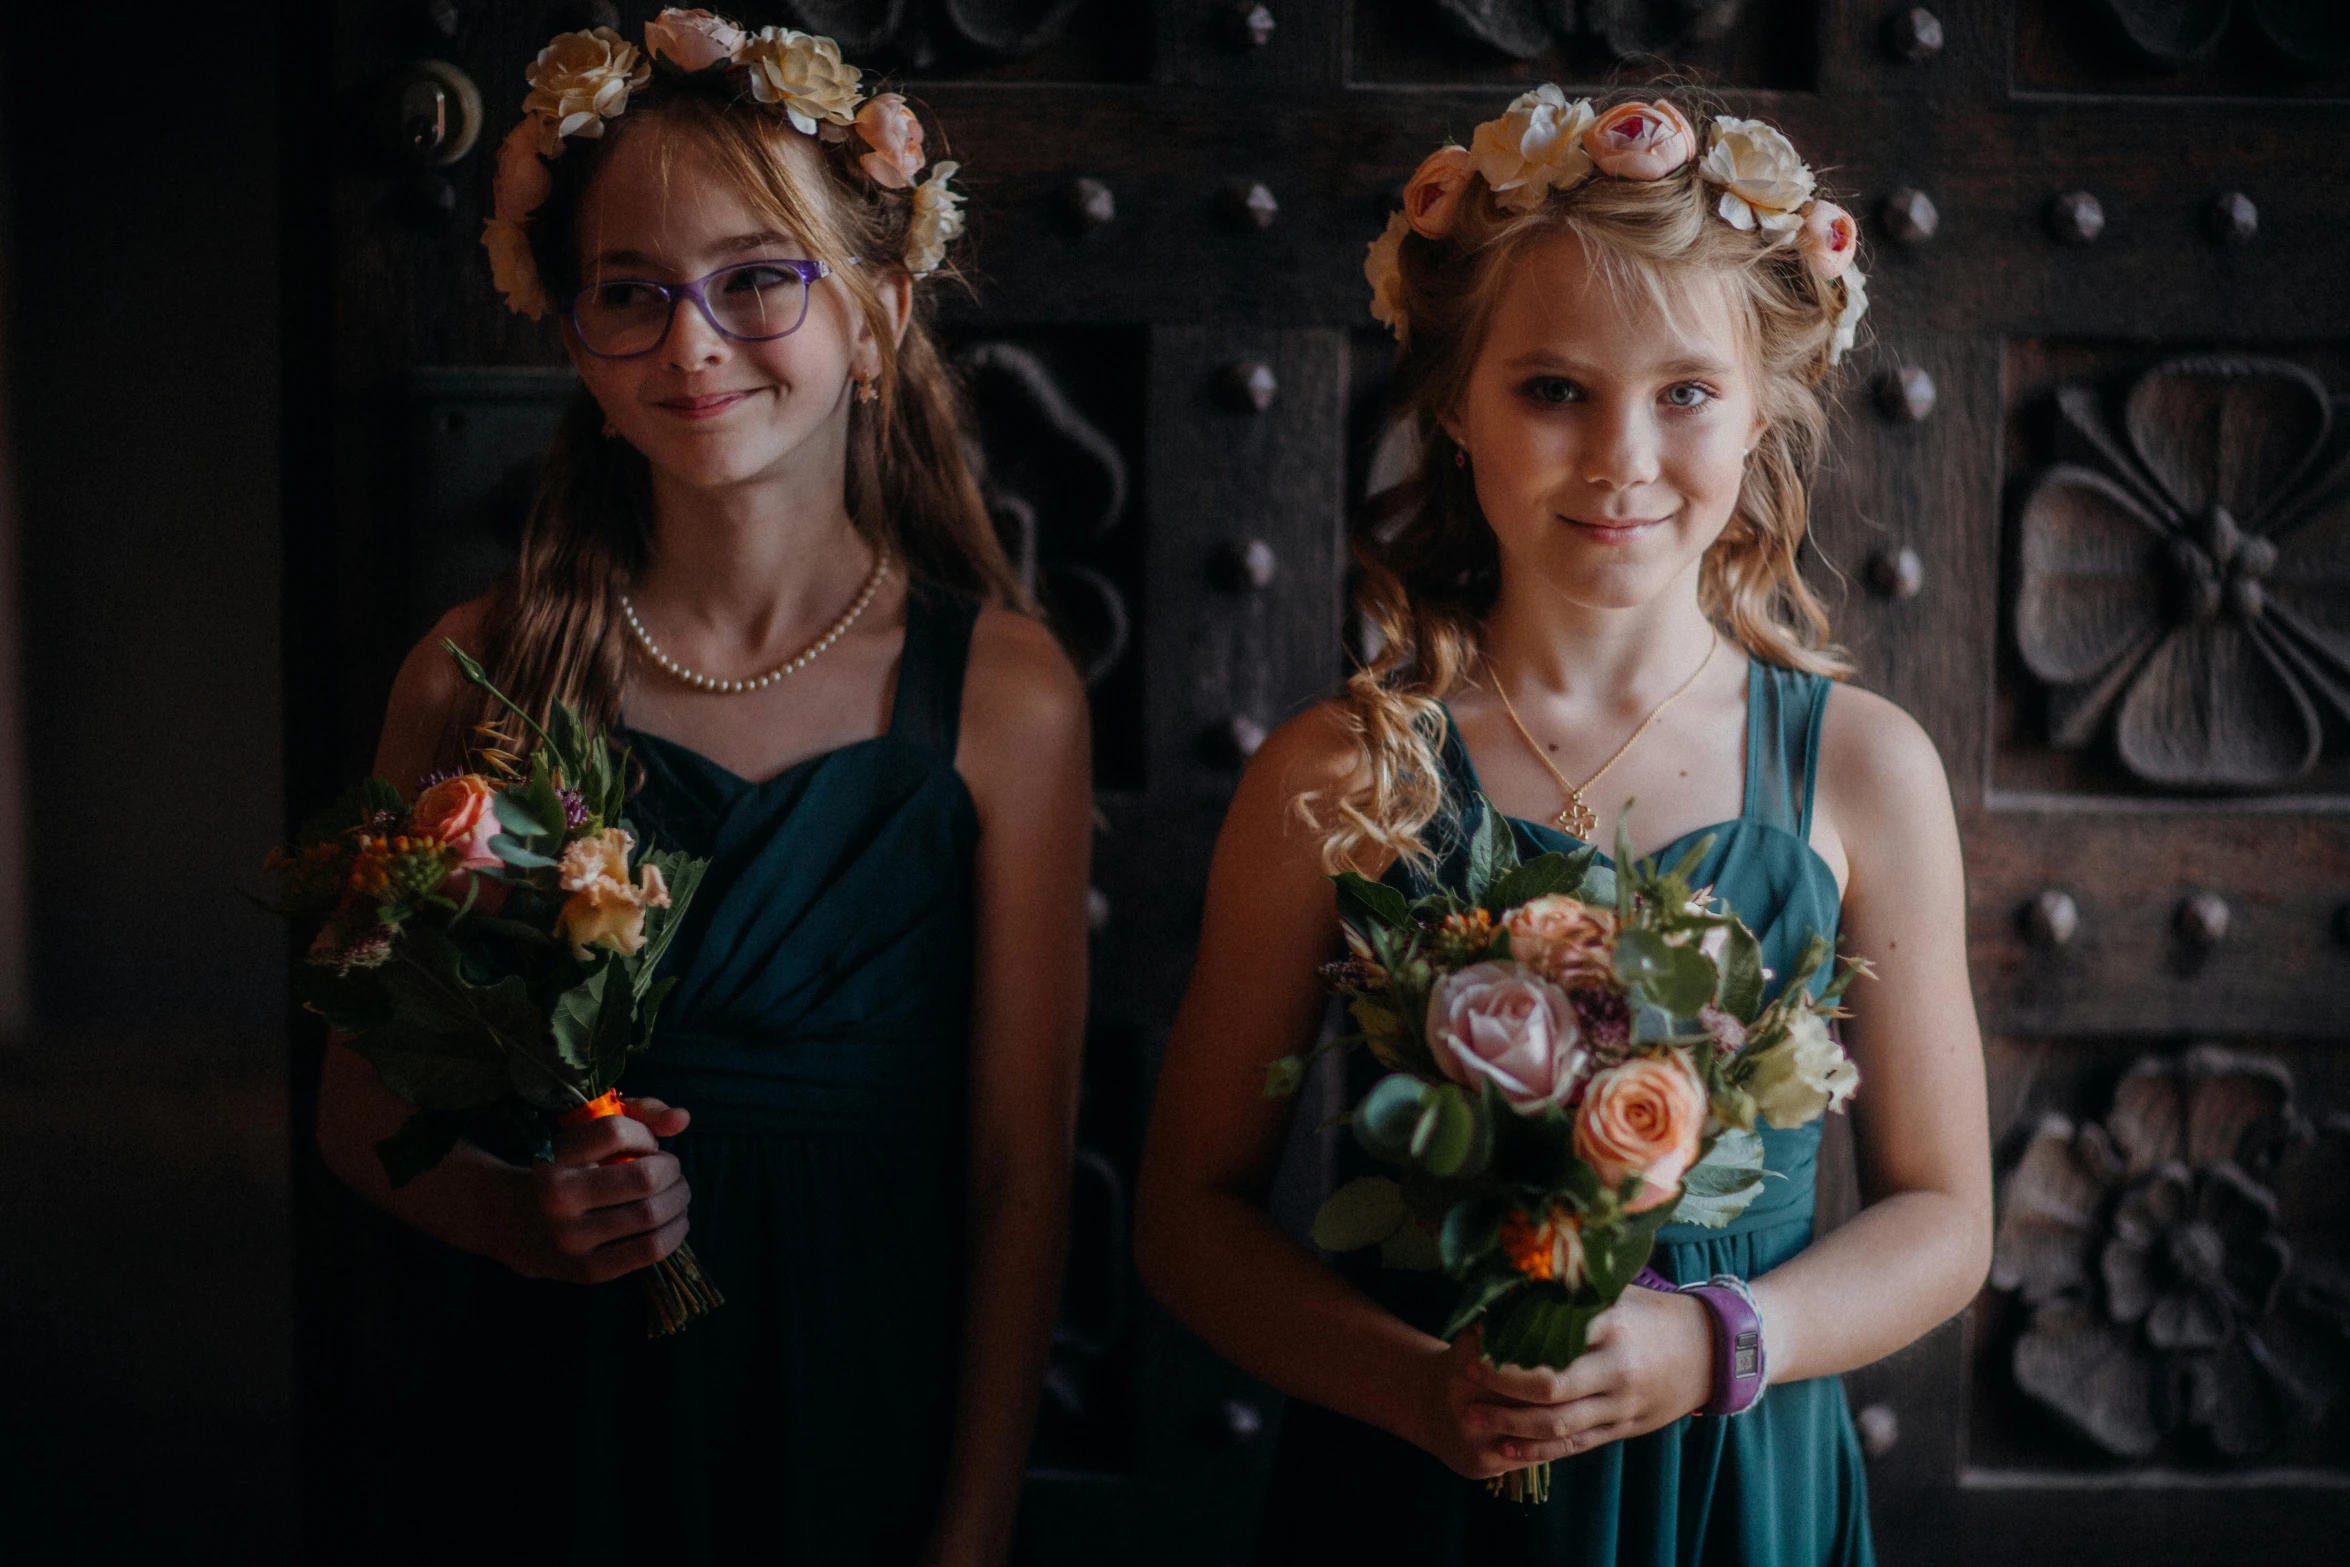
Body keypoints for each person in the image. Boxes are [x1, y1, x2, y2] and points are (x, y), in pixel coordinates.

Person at [1135, 92, 1991, 1565]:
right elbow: (1188, 1214)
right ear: (1453, 401)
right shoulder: (1338, 772)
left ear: (1764, 409)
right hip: (1414, 1484)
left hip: (1734, 1473)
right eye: (1550, 389)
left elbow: (1942, 1214)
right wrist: (1412, 1387)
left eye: (1682, 392)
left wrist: (1723, 1339)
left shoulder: (1859, 768)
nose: (1619, 457)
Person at [314, 14, 1091, 1565]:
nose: (691, 342)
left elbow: (1018, 1180)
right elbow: (355, 1110)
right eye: (631, 293)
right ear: (569, 332)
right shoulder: (468, 680)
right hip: (556, 1412)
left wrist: (973, 1528)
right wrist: (510, 1216)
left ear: (871, 319)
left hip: (866, 1399)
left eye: (754, 279)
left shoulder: (1005, 697)